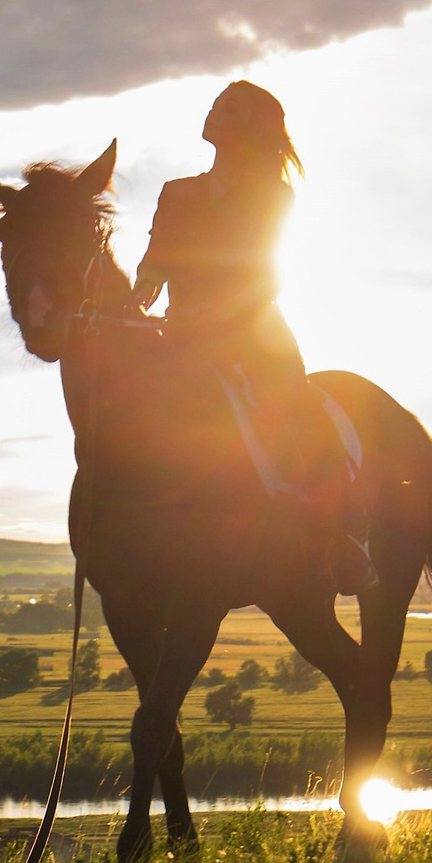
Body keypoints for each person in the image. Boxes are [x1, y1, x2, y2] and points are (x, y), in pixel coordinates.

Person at [131, 80, 373, 591]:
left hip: (253, 333)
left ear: (253, 128)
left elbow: (268, 275)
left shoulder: (272, 194)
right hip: (182, 333)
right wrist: (139, 298)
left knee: (298, 411)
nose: (214, 110)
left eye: (230, 108)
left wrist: (218, 313)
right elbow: (156, 262)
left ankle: (342, 531)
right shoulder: (177, 192)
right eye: (216, 103)